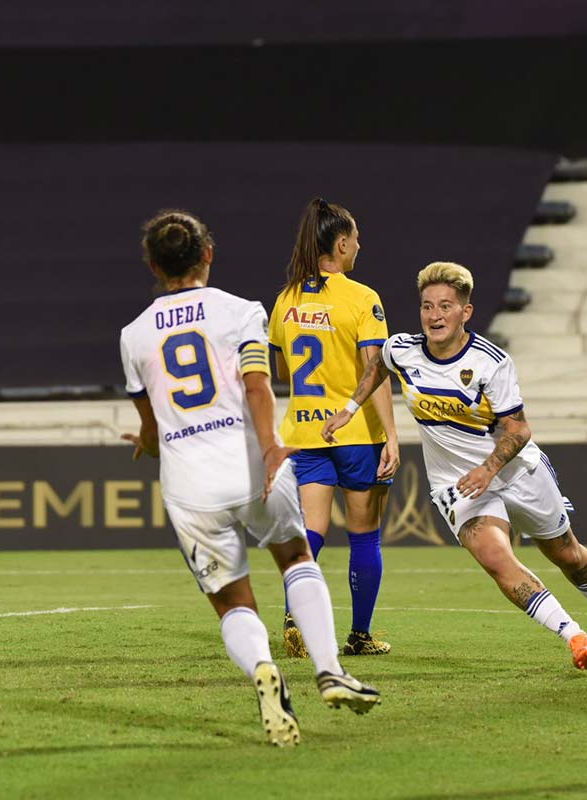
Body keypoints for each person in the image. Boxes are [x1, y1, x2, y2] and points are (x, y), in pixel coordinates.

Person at [119, 209, 380, 747]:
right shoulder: (240, 311)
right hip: (250, 465)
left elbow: (149, 428)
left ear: (151, 263)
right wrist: (269, 448)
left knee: (233, 602)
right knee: (295, 560)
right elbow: (258, 387)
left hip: (189, 486)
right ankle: (331, 669)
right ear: (207, 253)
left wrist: (147, 444)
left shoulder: (132, 336)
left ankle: (264, 670)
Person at [322, 261, 587, 670]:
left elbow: (519, 430)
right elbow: (377, 366)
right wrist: (349, 409)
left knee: (568, 555)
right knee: (495, 558)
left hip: (514, 471)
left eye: (445, 307)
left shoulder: (492, 363)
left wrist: (488, 469)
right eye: (427, 306)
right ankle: (575, 636)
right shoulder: (402, 348)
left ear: (465, 312)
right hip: (456, 484)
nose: (434, 316)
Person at [269, 199, 399, 658]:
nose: (359, 245)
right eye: (356, 238)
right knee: (364, 534)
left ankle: (293, 616)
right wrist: (393, 435)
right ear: (341, 244)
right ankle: (360, 636)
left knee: (312, 530)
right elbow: (375, 370)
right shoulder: (363, 298)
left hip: (304, 433)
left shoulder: (285, 299)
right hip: (357, 433)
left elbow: (283, 372)